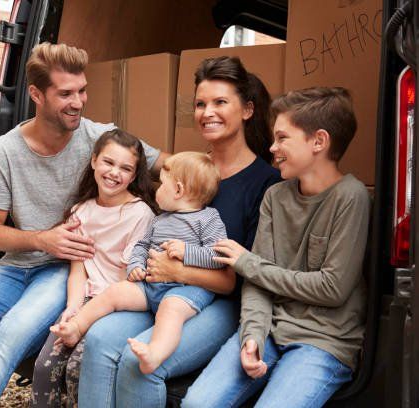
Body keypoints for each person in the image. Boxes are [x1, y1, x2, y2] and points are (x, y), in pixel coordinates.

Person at [0, 42, 164, 408]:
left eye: (82, 91)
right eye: (65, 94)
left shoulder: (99, 138)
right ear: (36, 94)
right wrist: (42, 239)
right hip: (17, 265)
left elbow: (173, 167)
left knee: (7, 340)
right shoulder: (4, 152)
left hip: (65, 272)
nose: (78, 102)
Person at [77, 56, 281, 408]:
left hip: (219, 302)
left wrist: (178, 270)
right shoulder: (188, 168)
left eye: (220, 102)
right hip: (159, 288)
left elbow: (237, 281)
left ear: (247, 110)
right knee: (98, 341)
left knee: (137, 365)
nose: (207, 112)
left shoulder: (265, 184)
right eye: (200, 104)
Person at [182, 87, 370, 408]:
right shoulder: (275, 196)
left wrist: (247, 263)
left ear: (318, 142)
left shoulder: (351, 197)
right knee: (197, 403)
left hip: (322, 342)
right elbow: (257, 284)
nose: (272, 147)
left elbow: (332, 288)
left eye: (282, 138)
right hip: (269, 329)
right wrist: (252, 335)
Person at [52, 151, 227, 376]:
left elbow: (218, 258)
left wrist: (187, 252)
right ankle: (76, 327)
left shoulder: (208, 219)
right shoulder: (160, 219)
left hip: (186, 291)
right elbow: (142, 246)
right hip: (150, 285)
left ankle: (155, 354)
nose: (157, 190)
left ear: (179, 190)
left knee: (170, 311)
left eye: (162, 185)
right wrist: (135, 265)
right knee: (116, 292)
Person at [31, 129, 157, 407]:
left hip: (116, 307)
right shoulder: (81, 212)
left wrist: (88, 317)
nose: (114, 173)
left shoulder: (140, 214)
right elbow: (79, 270)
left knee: (79, 369)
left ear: (134, 176)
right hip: (87, 299)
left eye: (125, 168)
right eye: (108, 162)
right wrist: (72, 308)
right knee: (44, 367)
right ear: (94, 161)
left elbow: (127, 281)